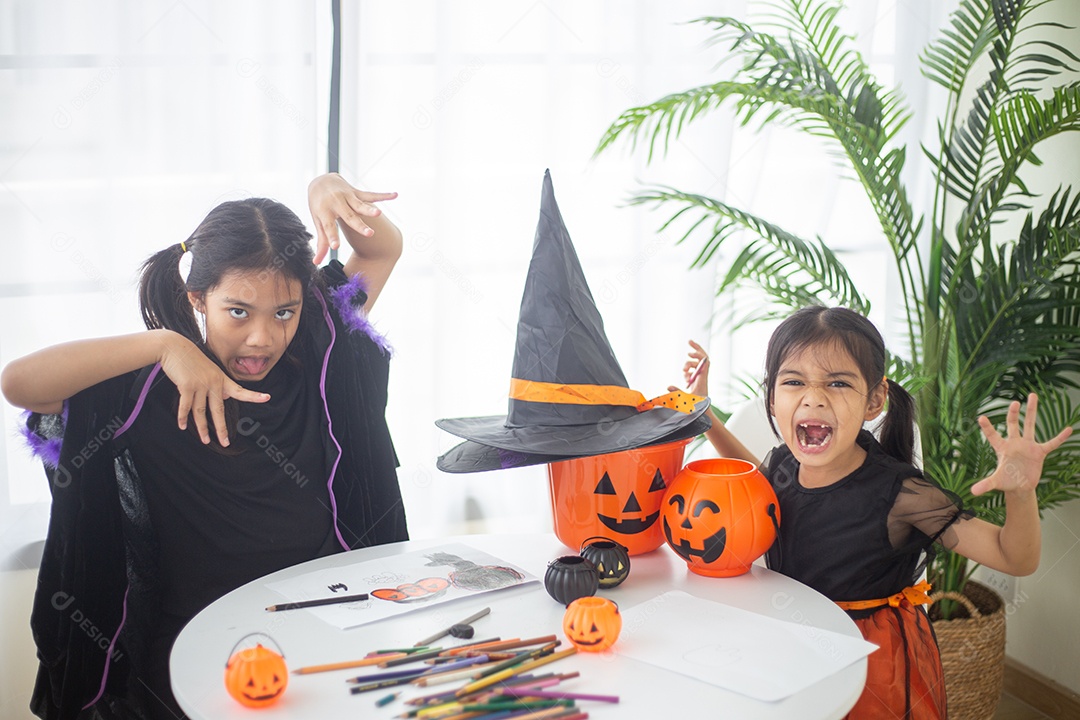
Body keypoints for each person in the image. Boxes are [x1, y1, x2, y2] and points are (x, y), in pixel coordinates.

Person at [1, 173, 410, 720]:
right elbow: (20, 383)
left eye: (283, 312)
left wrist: (328, 187)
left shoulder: (320, 351)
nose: (262, 337)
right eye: (238, 311)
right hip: (196, 650)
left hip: (325, 630)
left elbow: (382, 249)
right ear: (198, 297)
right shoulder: (151, 387)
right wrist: (164, 344)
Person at [676, 307, 1072, 720]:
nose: (814, 397)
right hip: (793, 639)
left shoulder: (901, 494)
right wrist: (705, 415)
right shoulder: (782, 467)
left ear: (875, 399)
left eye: (838, 382)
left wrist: (1022, 492)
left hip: (872, 661)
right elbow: (751, 480)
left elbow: (1015, 558)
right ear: (772, 399)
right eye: (794, 382)